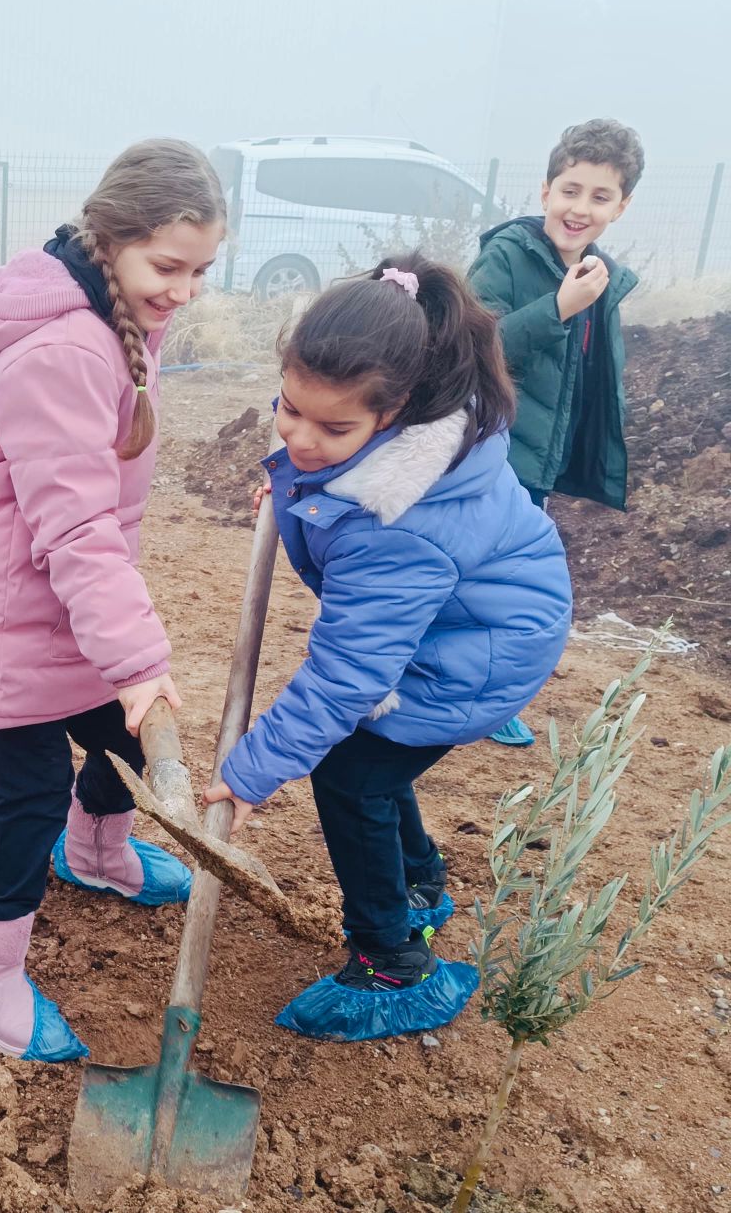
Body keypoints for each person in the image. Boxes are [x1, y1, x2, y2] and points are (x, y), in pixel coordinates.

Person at [204, 254, 572, 1043]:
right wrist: (300, 482)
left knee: (351, 775)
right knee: (373, 753)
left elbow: (345, 678)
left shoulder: (397, 524)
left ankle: (394, 965)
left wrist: (249, 773)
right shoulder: (411, 437)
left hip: (475, 654)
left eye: (332, 429)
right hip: (466, 623)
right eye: (288, 409)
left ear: (395, 411)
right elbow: (333, 483)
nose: (300, 437)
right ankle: (419, 883)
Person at [0, 139, 225, 1062]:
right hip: (12, 617)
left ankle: (95, 855)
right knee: (27, 792)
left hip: (65, 603)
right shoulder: (62, 351)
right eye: (167, 267)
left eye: (201, 271)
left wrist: (126, 660)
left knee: (128, 740)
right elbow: (75, 529)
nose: (183, 289)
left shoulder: (116, 317)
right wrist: (137, 659)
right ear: (109, 241)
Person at [469, 117, 643, 746]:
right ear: (545, 191)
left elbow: (584, 378)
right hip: (487, 452)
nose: (580, 208)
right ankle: (456, 690)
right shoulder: (506, 258)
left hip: (536, 461)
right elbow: (468, 348)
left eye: (600, 196)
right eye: (570, 190)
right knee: (477, 578)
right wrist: (557, 310)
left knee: (512, 582)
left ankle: (491, 696)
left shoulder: (602, 275)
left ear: (621, 207)